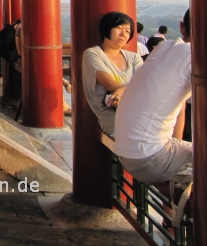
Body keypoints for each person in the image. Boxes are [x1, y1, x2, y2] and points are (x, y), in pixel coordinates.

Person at [114, 10, 193, 184]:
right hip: (147, 157)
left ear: (181, 27)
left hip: (126, 150)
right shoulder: (194, 56)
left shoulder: (165, 47)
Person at [81, 11, 144, 137]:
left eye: (127, 31)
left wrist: (122, 90)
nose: (123, 34)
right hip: (112, 117)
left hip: (139, 113)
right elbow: (110, 84)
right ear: (107, 28)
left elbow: (145, 84)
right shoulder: (93, 54)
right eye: (119, 28)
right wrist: (130, 87)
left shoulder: (134, 58)